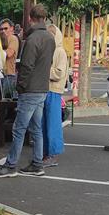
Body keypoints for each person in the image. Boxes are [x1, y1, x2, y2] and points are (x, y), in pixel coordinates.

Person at [0, 3, 55, 177]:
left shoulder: (33, 39)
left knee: (19, 129)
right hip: (42, 87)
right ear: (44, 18)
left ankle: (11, 165)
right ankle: (37, 163)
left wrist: (20, 86)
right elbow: (47, 63)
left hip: (30, 89)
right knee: (36, 128)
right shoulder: (50, 38)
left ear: (30, 18)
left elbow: (26, 66)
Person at [42, 25, 69, 167]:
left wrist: (43, 69)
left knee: (53, 124)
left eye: (51, 34)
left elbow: (59, 73)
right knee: (43, 123)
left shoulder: (60, 51)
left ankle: (53, 154)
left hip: (54, 91)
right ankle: (46, 152)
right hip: (45, 90)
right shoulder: (49, 50)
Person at [0, 17, 20, 98]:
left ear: (11, 28)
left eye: (5, 28)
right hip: (0, 74)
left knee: (6, 100)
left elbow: (9, 54)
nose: (3, 31)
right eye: (1, 29)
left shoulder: (13, 38)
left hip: (9, 74)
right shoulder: (0, 39)